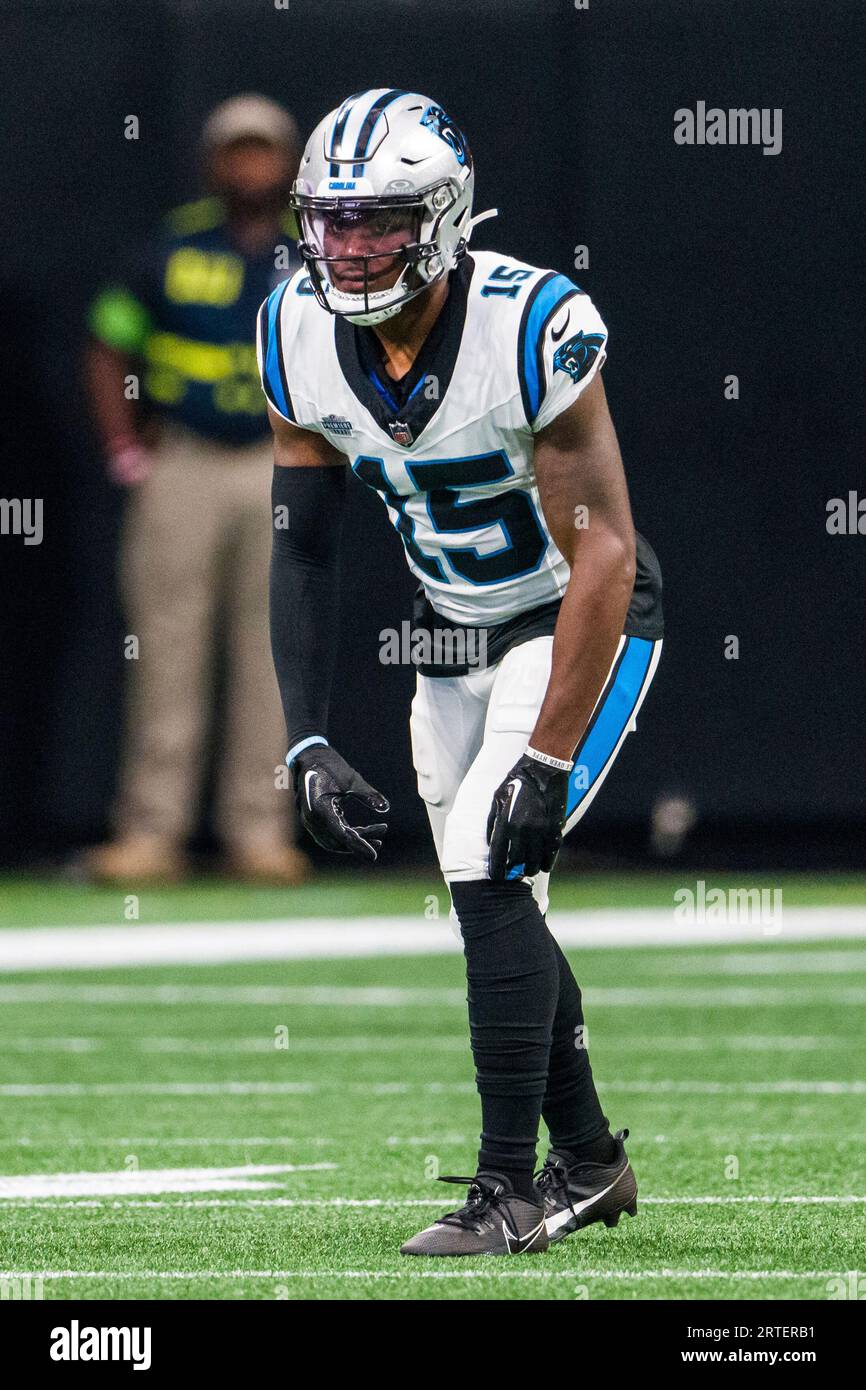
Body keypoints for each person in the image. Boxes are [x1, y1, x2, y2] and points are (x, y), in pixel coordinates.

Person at [259, 89, 664, 1255]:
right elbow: (301, 542)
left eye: (376, 221)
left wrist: (545, 752)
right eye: (328, 222)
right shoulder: (291, 326)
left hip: (578, 615)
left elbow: (602, 545)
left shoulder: (529, 318)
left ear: (442, 218)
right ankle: (590, 1162)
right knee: (495, 903)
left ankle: (510, 1186)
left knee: (492, 866)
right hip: (457, 632)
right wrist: (304, 736)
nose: (346, 248)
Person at [85, 94, 309, 885]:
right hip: (182, 460)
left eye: (265, 152)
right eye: (236, 152)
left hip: (275, 464)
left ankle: (261, 832)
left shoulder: (312, 253)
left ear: (287, 163)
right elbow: (110, 338)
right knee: (165, 647)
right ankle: (152, 832)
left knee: (270, 652)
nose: (251, 167)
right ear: (215, 162)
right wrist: (124, 448)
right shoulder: (169, 246)